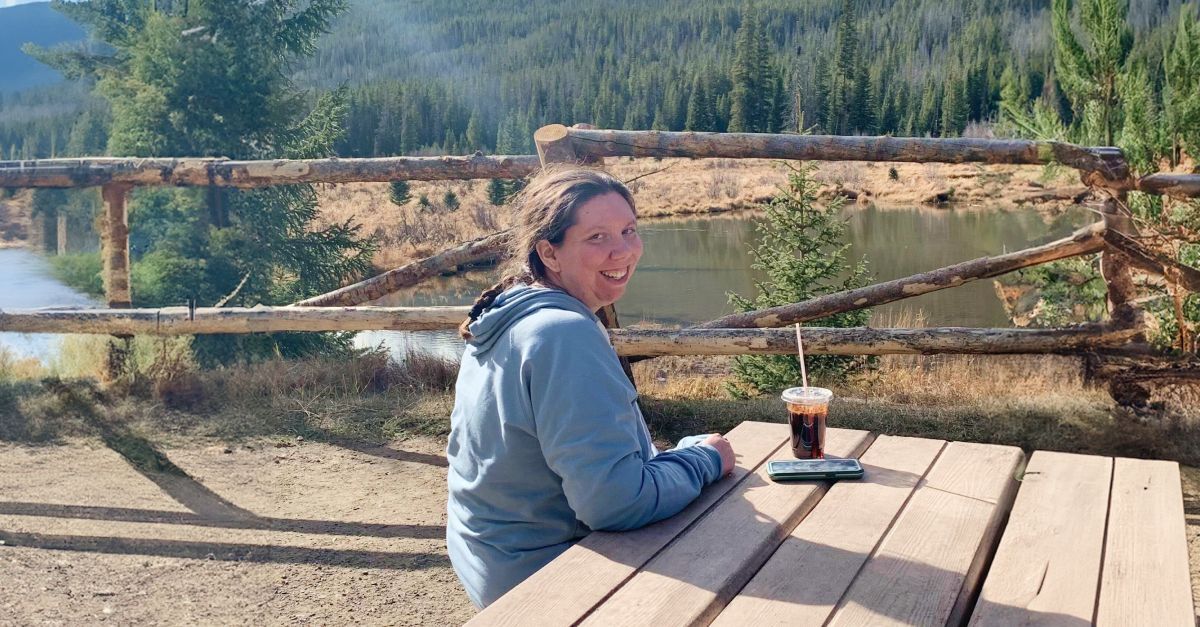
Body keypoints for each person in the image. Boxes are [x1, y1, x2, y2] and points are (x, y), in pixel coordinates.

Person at [445, 167, 737, 608]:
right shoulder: (562, 332)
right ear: (550, 252)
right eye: (596, 237)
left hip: (493, 560)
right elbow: (615, 505)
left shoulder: (510, 311)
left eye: (629, 230)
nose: (622, 251)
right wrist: (704, 460)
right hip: (547, 578)